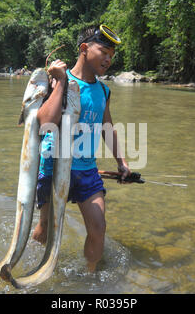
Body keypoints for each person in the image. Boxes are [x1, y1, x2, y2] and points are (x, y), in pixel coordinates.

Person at [32, 25, 131, 273]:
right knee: (45, 228)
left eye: (112, 55)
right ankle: (36, 267)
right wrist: (61, 82)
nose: (109, 59)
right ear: (84, 49)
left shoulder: (104, 91)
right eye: (104, 51)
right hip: (55, 166)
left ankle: (89, 276)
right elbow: (45, 122)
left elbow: (107, 126)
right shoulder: (60, 79)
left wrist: (122, 162)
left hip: (87, 170)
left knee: (98, 228)